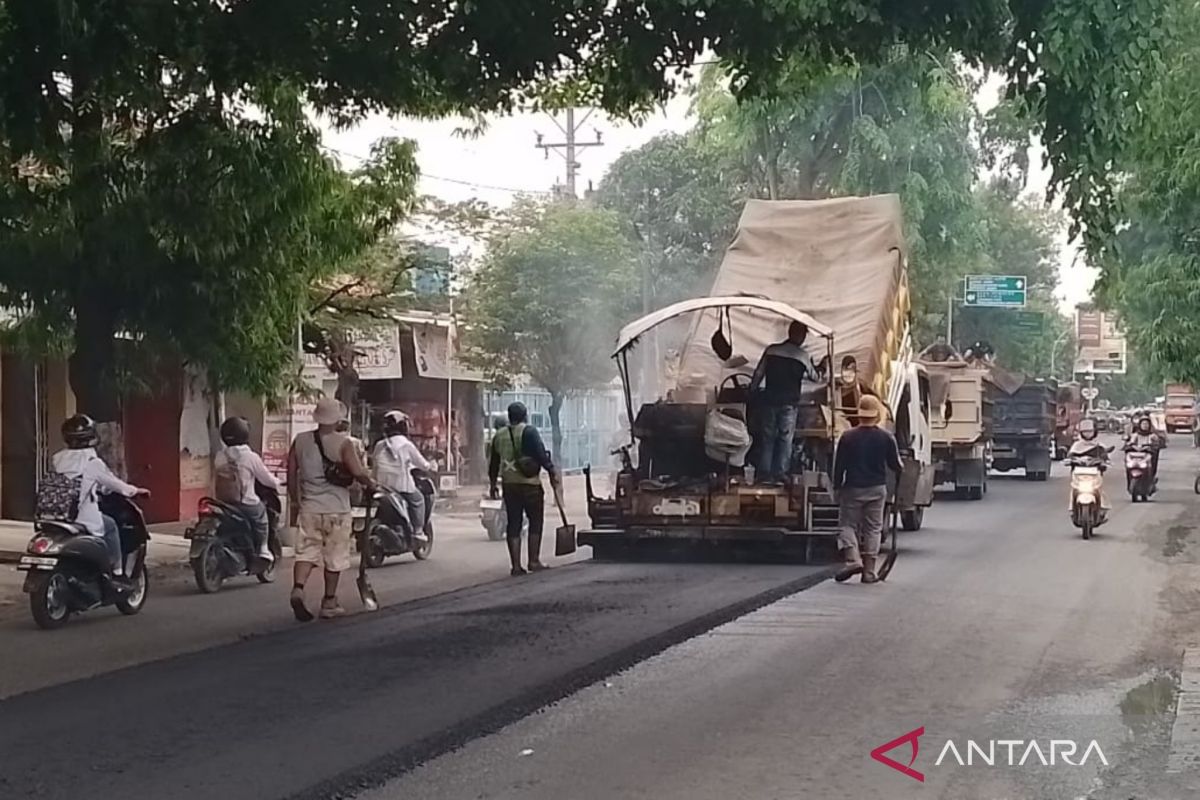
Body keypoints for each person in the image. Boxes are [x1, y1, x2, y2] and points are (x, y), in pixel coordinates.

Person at [286, 397, 376, 621]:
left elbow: (290, 475)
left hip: (310, 507)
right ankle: (329, 602)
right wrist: (372, 484)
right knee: (335, 556)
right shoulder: (344, 443)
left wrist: (296, 500)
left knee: (306, 552)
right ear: (337, 419)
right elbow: (358, 472)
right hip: (337, 509)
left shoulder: (300, 441)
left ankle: (298, 588)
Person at [50, 415, 150, 586]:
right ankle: (117, 572)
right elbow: (117, 486)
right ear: (91, 437)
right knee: (110, 526)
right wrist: (136, 491)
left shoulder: (57, 458)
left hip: (53, 514)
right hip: (79, 516)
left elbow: (74, 482)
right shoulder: (92, 461)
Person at [832, 396, 903, 584]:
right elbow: (896, 465)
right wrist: (900, 471)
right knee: (873, 529)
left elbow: (839, 466)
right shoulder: (886, 437)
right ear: (877, 414)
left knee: (847, 525)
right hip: (877, 489)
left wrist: (837, 487)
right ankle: (869, 572)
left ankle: (853, 559)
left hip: (853, 488)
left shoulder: (847, 437)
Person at [488, 401, 557, 576]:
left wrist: (492, 486)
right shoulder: (529, 431)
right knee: (536, 520)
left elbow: (493, 464)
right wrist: (551, 471)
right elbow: (541, 455)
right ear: (525, 415)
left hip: (509, 485)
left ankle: (516, 566)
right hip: (530, 484)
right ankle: (534, 560)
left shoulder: (498, 436)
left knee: (514, 523)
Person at [750, 321, 817, 484]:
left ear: (789, 332)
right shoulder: (802, 356)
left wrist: (752, 390)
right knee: (785, 439)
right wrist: (820, 367)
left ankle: (764, 474)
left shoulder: (771, 350)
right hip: (789, 404)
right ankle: (780, 473)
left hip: (770, 401)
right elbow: (815, 377)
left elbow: (758, 374)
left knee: (768, 437)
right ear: (801, 336)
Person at [214, 417, 280, 562]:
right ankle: (263, 548)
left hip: (222, 503)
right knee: (262, 517)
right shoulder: (250, 457)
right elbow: (266, 479)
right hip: (245, 503)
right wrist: (278, 482)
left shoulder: (220, 456)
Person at [372, 410, 432, 543]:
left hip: (380, 485)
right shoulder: (406, 444)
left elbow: (374, 462)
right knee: (418, 500)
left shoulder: (379, 445)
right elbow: (422, 463)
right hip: (400, 486)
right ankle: (418, 531)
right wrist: (430, 466)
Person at [1125, 415, 1162, 489]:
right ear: (1139, 425)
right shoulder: (1135, 435)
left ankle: (1151, 479)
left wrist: (1155, 445)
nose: (1145, 426)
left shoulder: (1153, 436)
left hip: (1147, 455)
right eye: (1143, 424)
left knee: (1152, 463)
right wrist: (1129, 444)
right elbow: (1130, 442)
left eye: (1146, 424)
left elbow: (1158, 443)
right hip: (1136, 455)